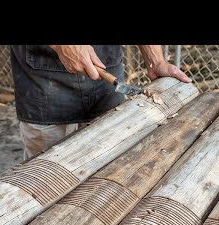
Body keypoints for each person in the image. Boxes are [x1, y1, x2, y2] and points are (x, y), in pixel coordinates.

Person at [10, 45, 191, 159]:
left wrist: (155, 61)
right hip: (43, 86)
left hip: (107, 76)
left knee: (112, 162)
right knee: (45, 177)